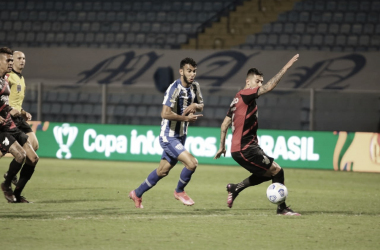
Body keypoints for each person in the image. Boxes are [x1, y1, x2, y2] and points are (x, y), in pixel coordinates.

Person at [214, 54, 301, 216]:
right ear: (248, 82)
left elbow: (224, 124)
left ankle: (235, 188)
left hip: (246, 147)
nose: (260, 84)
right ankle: (282, 209)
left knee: (269, 173)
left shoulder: (237, 98)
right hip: (245, 149)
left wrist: (221, 146)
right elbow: (268, 88)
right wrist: (285, 68)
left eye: (261, 81)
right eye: (257, 81)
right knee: (277, 171)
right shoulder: (246, 94)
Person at [129, 57, 204, 208]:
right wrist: (185, 118)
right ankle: (179, 191)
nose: (192, 74)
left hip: (181, 136)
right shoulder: (173, 89)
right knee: (192, 163)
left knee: (162, 171)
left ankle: (136, 193)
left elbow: (202, 105)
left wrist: (196, 104)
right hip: (168, 136)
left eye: (194, 71)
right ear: (181, 71)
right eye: (189, 71)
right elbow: (164, 113)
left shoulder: (195, 86)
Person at [0, 47, 39, 203]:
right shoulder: (8, 78)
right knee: (21, 155)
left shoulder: (6, 80)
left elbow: (5, 103)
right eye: (9, 60)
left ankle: (15, 192)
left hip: (12, 122)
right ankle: (8, 182)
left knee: (33, 157)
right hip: (4, 126)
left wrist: (20, 111)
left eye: (12, 60)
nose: (12, 63)